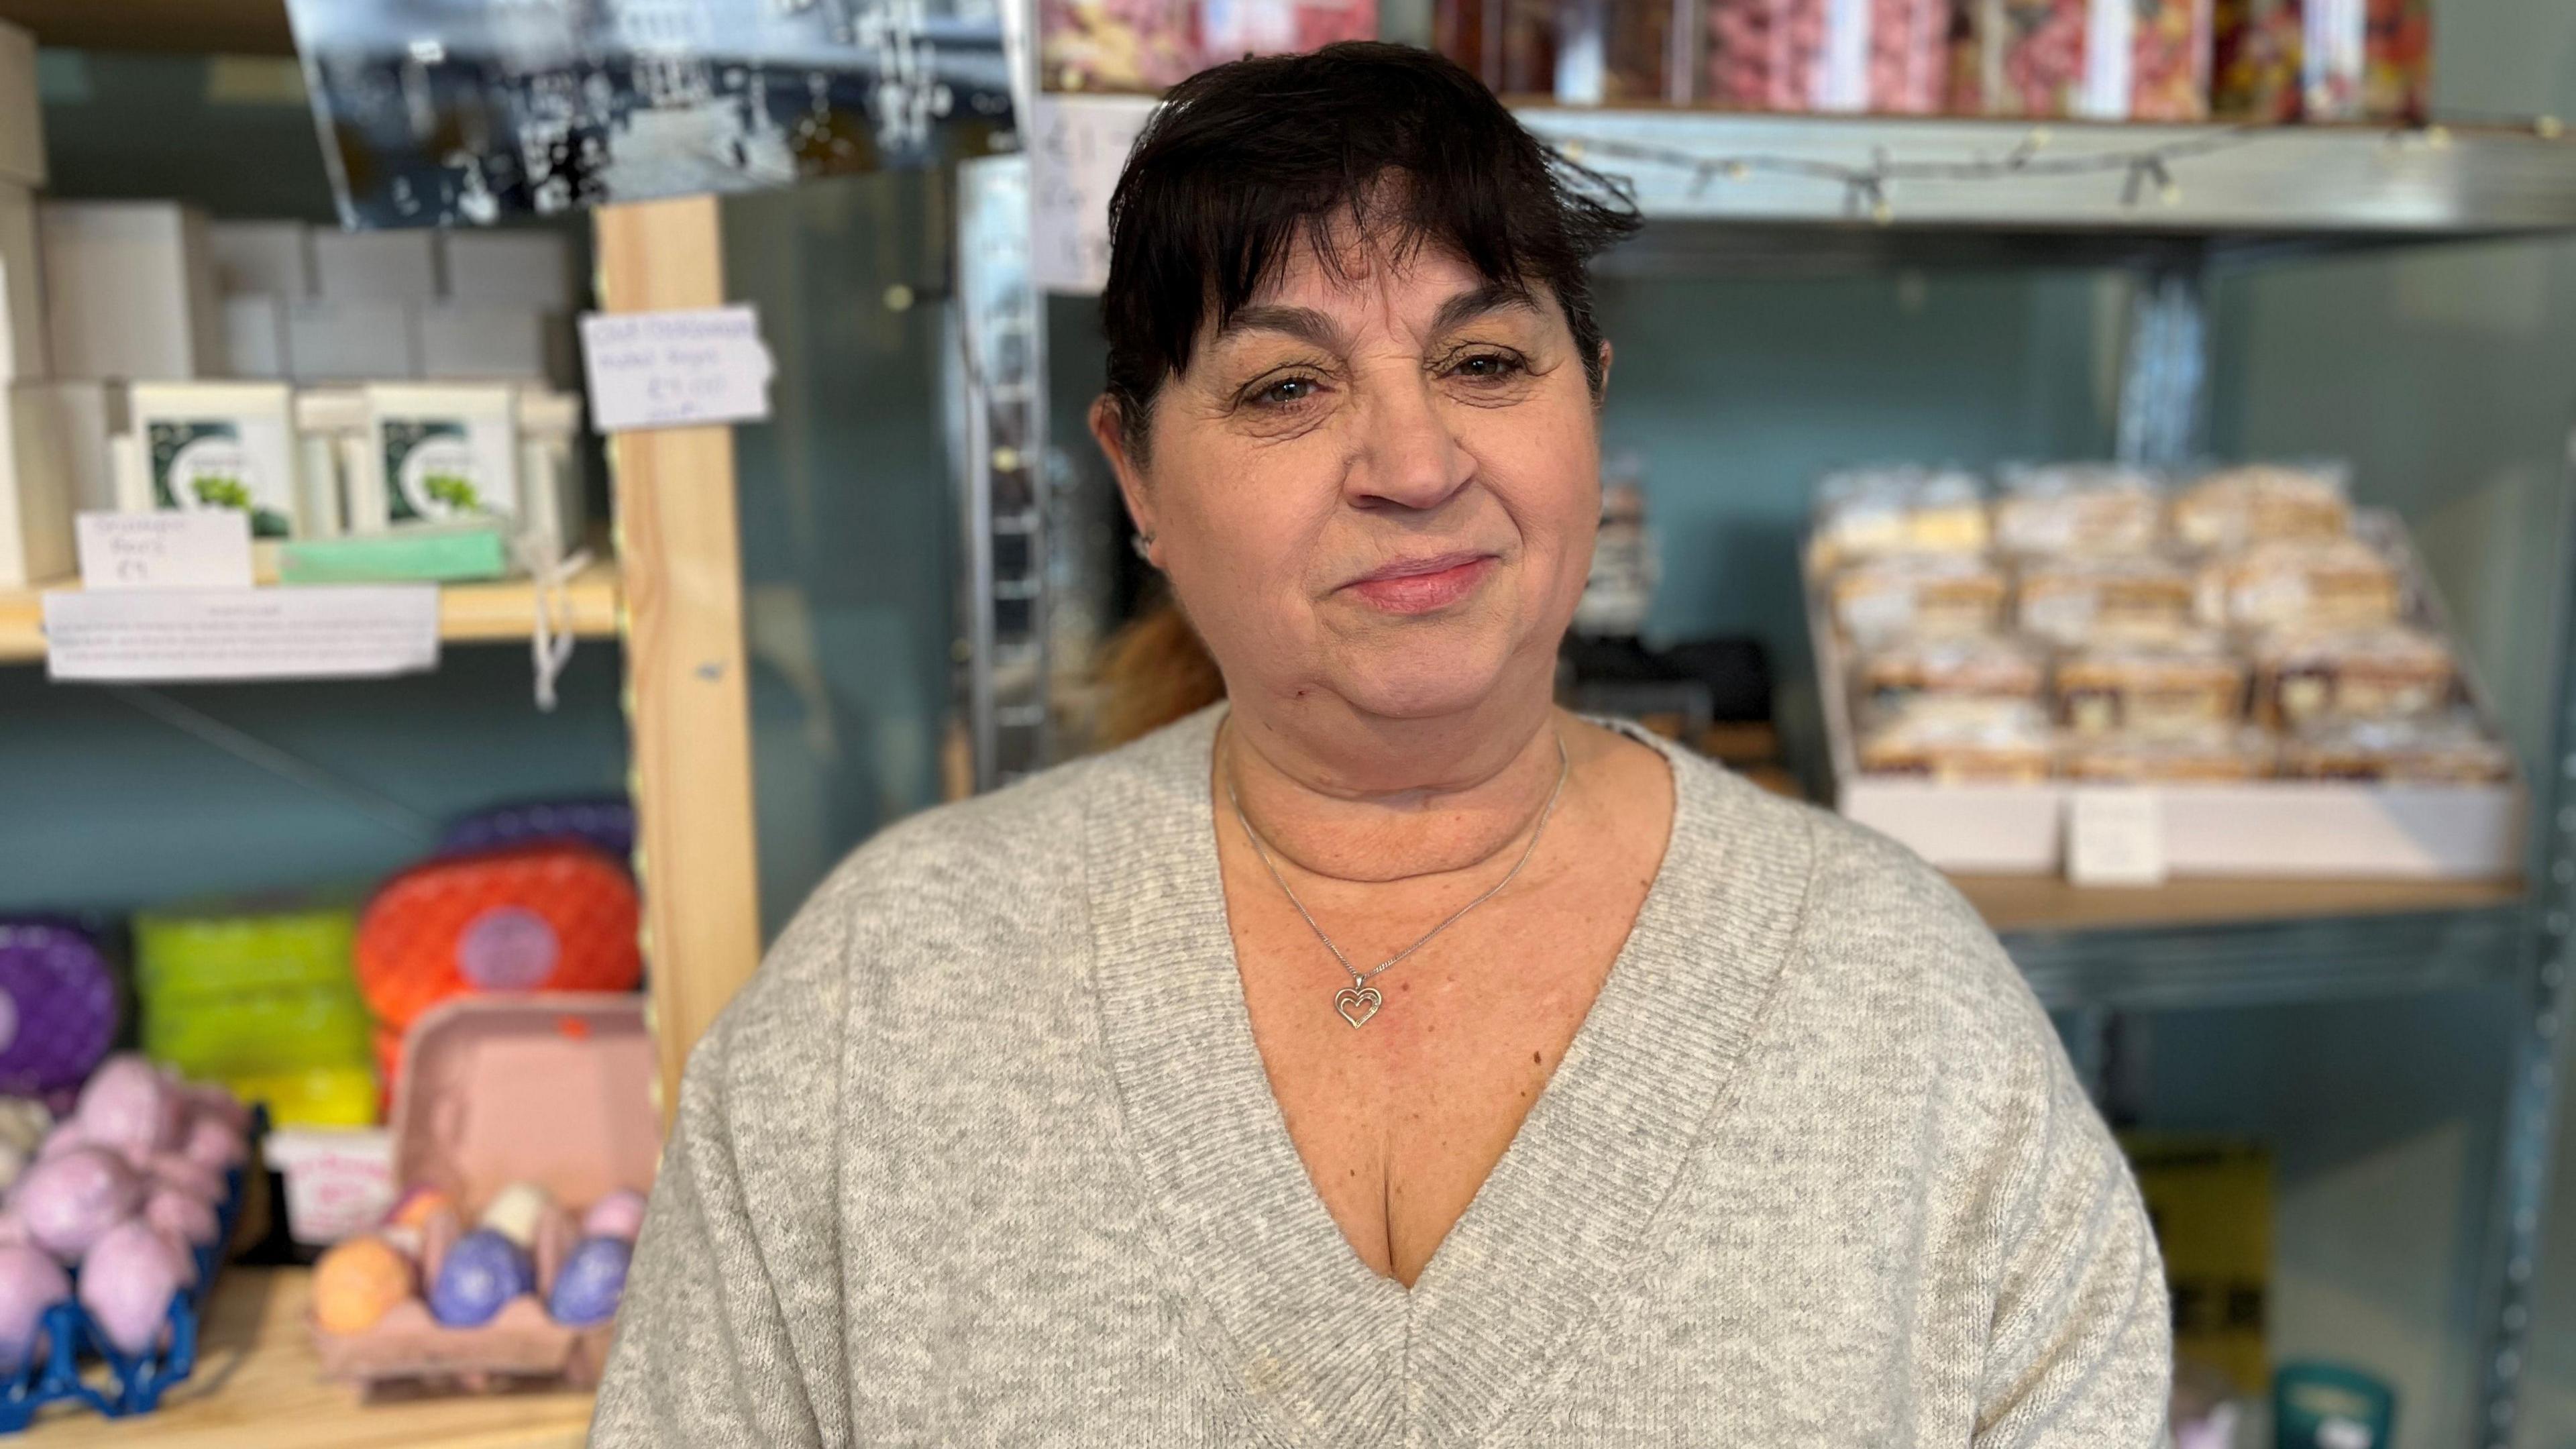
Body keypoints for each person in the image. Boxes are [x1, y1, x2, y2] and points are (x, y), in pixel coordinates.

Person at [592, 42, 2169, 1446]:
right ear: (1135, 476)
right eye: (1286, 385)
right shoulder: (887, 998)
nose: (1415, 463)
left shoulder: (1903, 1006)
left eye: (1487, 362)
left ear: (1591, 404)